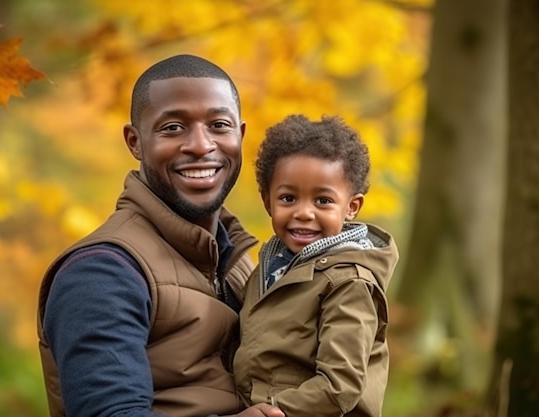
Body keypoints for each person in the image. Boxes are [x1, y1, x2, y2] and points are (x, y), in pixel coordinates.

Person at [37, 54, 284, 417]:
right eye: (173, 127)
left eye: (218, 125)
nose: (201, 145)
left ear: (240, 135)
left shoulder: (239, 262)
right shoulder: (101, 273)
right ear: (135, 142)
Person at [233, 114, 399, 417]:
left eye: (322, 201)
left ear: (351, 207)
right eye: (288, 198)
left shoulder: (348, 282)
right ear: (267, 201)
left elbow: (339, 386)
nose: (304, 213)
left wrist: (269, 411)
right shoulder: (271, 267)